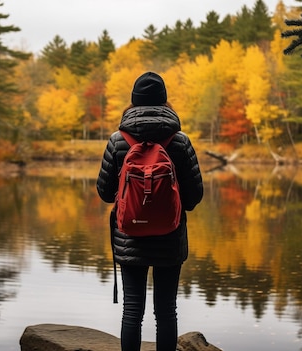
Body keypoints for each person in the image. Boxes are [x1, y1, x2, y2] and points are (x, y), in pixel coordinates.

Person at [96, 71, 204, 351]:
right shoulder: (179, 141)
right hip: (170, 236)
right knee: (166, 310)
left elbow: (105, 193)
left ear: (133, 102)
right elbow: (194, 197)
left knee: (132, 309)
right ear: (164, 102)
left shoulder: (117, 140)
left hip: (129, 235)